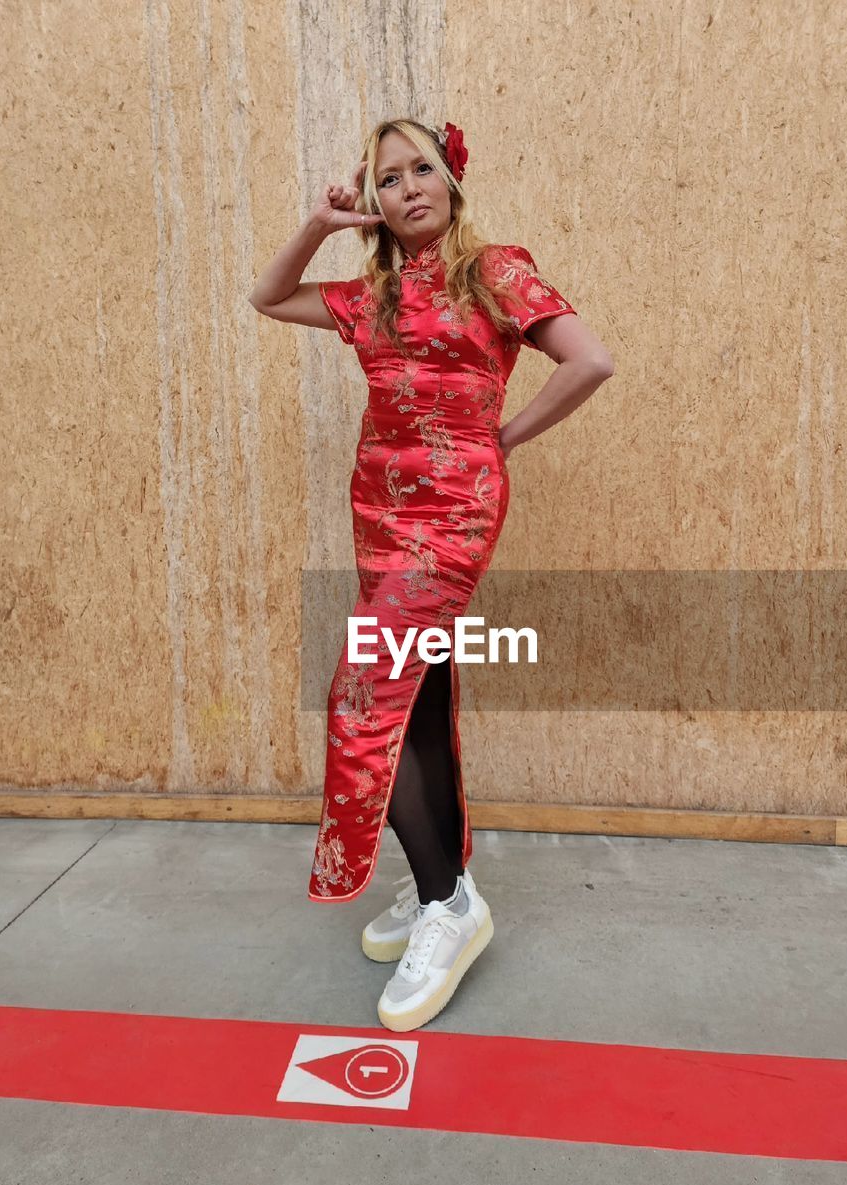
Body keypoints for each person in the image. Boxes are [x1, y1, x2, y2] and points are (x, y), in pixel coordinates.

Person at [249, 117, 613, 1032]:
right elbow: (268, 295)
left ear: (452, 179)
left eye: (423, 169)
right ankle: (440, 883)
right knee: (417, 694)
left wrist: (502, 439)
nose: (410, 187)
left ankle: (450, 907)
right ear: (373, 199)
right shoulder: (372, 291)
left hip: (449, 515)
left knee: (367, 693)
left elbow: (590, 360)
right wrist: (319, 225)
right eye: (389, 178)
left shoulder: (493, 271)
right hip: (377, 506)